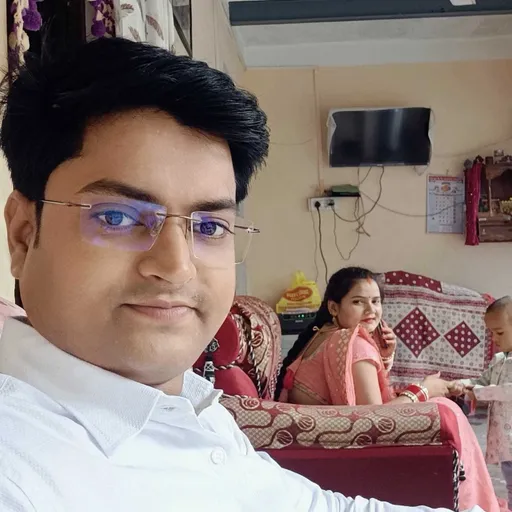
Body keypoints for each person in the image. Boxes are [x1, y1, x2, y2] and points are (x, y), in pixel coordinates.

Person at [0, 38, 478, 512]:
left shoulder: (196, 407)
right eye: (117, 217)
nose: (177, 267)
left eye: (210, 227)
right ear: (23, 235)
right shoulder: (20, 469)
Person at [276, 267, 499, 512]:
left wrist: (384, 357)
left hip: (312, 436)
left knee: (440, 404)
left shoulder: (324, 332)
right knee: (445, 409)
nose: (371, 310)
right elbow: (378, 418)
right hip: (328, 443)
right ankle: (472, 504)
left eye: (375, 301)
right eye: (358, 302)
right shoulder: (353, 343)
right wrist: (423, 390)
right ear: (333, 307)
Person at [456, 297, 512, 511]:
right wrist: (459, 385)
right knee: (510, 484)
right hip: (505, 442)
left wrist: (478, 392)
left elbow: (507, 390)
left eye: (500, 332)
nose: (494, 339)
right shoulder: (498, 360)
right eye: (491, 333)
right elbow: (480, 382)